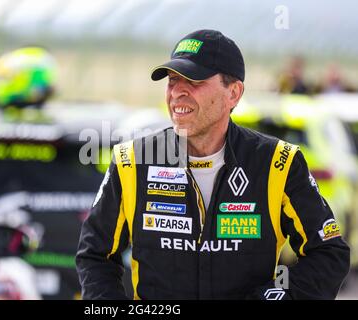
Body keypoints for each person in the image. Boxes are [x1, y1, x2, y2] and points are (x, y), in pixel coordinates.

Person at [76, 29, 350, 300]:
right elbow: (95, 255)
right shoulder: (132, 161)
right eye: (172, 80)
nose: (177, 92)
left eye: (193, 81)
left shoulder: (278, 162)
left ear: (233, 93)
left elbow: (328, 253)